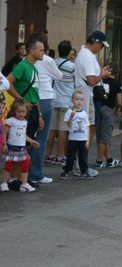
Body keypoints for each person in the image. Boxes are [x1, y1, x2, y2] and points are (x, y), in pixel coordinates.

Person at [6, 39, 45, 188]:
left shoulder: (34, 69)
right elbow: (7, 81)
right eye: (41, 50)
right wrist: (20, 99)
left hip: (34, 109)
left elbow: (36, 93)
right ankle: (13, 180)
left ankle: (20, 179)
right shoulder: (22, 66)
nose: (43, 53)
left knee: (26, 146)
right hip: (24, 110)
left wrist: (39, 114)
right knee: (20, 146)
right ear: (32, 51)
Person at [27, 32, 63, 184]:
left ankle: (23, 172)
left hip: (30, 99)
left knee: (28, 137)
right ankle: (36, 173)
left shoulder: (26, 60)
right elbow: (59, 75)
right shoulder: (47, 60)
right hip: (46, 98)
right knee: (41, 137)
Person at [74, 31, 111, 177]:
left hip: (85, 94)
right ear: (96, 43)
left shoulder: (85, 54)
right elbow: (91, 80)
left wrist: (100, 73)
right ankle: (81, 165)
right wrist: (102, 75)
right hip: (87, 95)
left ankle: (80, 164)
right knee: (87, 130)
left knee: (87, 130)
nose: (101, 48)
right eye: (101, 46)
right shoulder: (87, 56)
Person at [45, 40, 75, 166]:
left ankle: (48, 154)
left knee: (52, 128)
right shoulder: (72, 66)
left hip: (53, 98)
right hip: (66, 100)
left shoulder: (53, 63)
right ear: (69, 52)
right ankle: (60, 155)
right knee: (63, 129)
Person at [1, 99, 40, 192]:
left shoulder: (25, 122)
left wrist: (31, 141)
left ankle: (24, 184)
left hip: (22, 148)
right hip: (11, 147)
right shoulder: (10, 121)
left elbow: (23, 134)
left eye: (23, 112)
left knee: (25, 164)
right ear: (14, 110)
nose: (21, 114)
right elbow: (4, 133)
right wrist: (4, 144)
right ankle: (4, 183)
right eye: (18, 111)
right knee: (8, 166)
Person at [94, 62, 122, 168]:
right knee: (105, 138)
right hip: (108, 109)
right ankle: (99, 160)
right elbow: (119, 101)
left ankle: (109, 159)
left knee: (100, 135)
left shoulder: (100, 81)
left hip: (99, 107)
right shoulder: (117, 84)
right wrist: (116, 110)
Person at [59, 91, 92, 180]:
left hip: (83, 138)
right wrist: (71, 117)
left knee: (83, 156)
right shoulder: (69, 112)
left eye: (81, 100)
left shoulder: (84, 113)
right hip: (73, 138)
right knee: (70, 155)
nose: (79, 102)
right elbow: (69, 124)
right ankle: (66, 171)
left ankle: (84, 171)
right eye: (77, 99)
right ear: (72, 100)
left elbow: (87, 127)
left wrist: (88, 140)